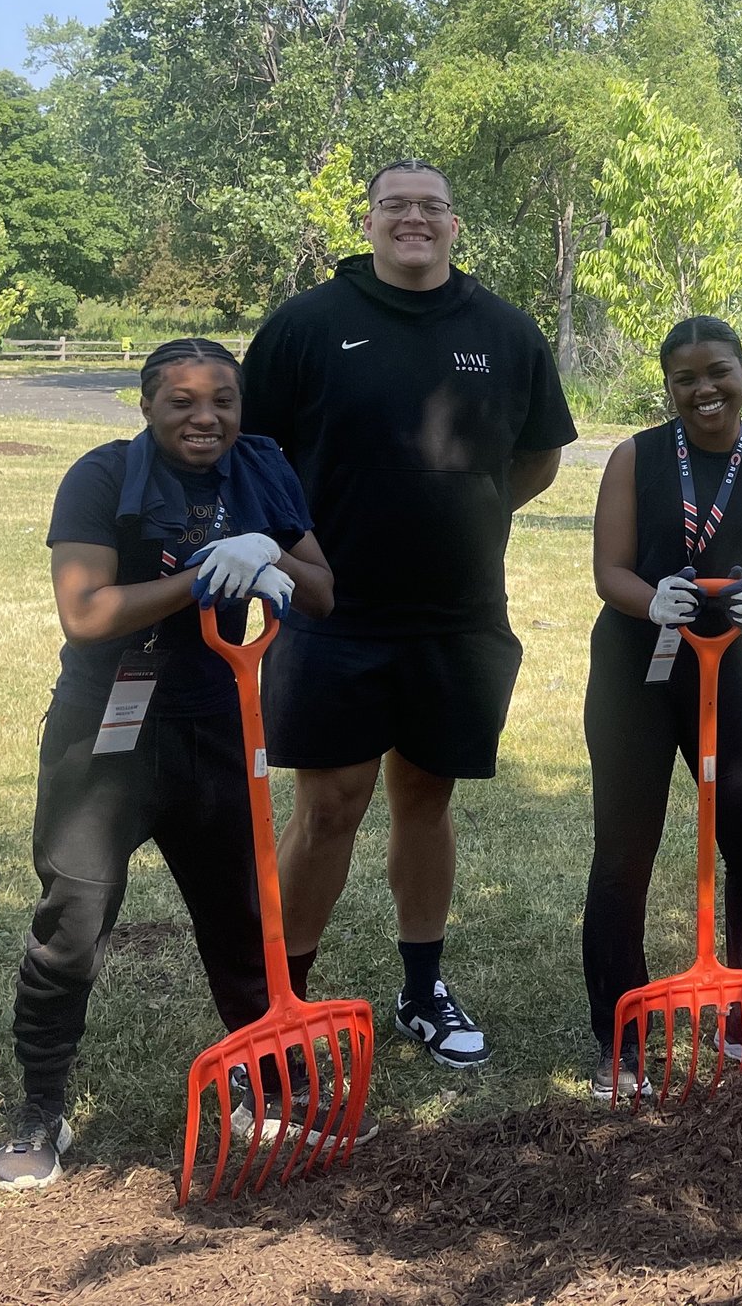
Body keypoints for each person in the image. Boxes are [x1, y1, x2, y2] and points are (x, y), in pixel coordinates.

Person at [240, 159, 576, 1069]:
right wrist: (288, 543)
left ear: (456, 223)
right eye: (397, 205)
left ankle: (422, 990)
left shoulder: (504, 330)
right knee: (330, 806)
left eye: (432, 205)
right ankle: (283, 1003)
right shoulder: (309, 324)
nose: (414, 219)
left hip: (457, 616)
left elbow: (538, 457)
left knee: (426, 798)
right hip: (334, 611)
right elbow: (252, 448)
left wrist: (466, 512)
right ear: (372, 219)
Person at [0, 338, 333, 1189]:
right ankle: (40, 1103)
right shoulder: (102, 476)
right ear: (146, 405)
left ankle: (267, 1090)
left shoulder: (261, 469)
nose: (205, 416)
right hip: (107, 735)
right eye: (182, 400)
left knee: (244, 921)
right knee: (73, 920)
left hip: (219, 724)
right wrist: (199, 580)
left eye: (222, 399)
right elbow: (87, 610)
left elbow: (322, 589)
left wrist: (268, 551)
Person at [583, 315, 742, 1095]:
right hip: (635, 666)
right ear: (669, 387)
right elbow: (609, 569)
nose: (704, 390)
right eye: (685, 379)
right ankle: (623, 1037)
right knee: (626, 846)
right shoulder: (635, 456)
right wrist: (655, 600)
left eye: (718, 372)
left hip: (726, 661)